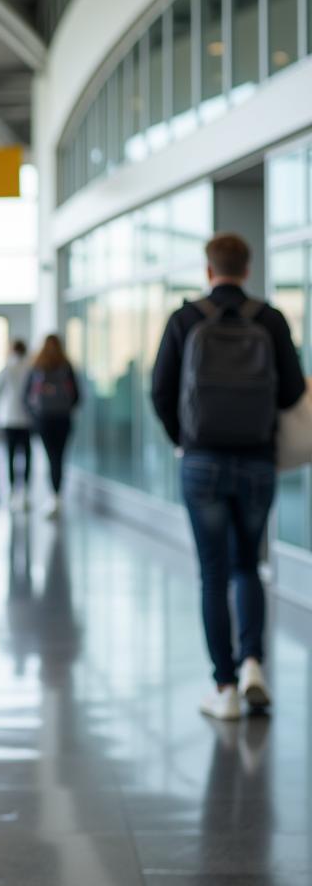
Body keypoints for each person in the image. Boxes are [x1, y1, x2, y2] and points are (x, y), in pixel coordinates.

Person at [152, 232, 305, 721]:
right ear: (248, 267)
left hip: (202, 462)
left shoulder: (185, 319)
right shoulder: (271, 319)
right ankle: (254, 663)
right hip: (258, 460)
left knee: (213, 575)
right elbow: (291, 392)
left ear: (208, 269)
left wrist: (186, 437)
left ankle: (225, 687)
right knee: (248, 565)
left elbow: (159, 390)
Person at [24, 335, 79, 518]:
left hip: (44, 419)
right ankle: (57, 496)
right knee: (59, 458)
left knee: (51, 457)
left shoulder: (37, 366)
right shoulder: (66, 366)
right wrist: (66, 408)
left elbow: (26, 396)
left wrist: (35, 413)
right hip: (63, 419)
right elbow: (77, 396)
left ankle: (53, 498)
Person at [0, 339, 33, 508]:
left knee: (11, 455)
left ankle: (13, 491)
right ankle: (26, 492)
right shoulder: (30, 368)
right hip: (27, 419)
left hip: (8, 419)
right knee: (27, 455)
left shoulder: (7, 368)